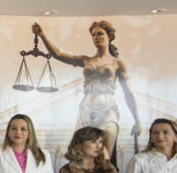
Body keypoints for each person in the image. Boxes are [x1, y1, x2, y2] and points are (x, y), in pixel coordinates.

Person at [32, 21, 141, 162]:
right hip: (86, 111)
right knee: (82, 157)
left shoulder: (117, 63)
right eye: (93, 35)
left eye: (100, 34)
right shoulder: (86, 60)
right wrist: (42, 35)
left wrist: (137, 120)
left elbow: (128, 92)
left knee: (105, 158)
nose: (96, 37)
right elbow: (57, 54)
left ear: (109, 36)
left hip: (108, 111)